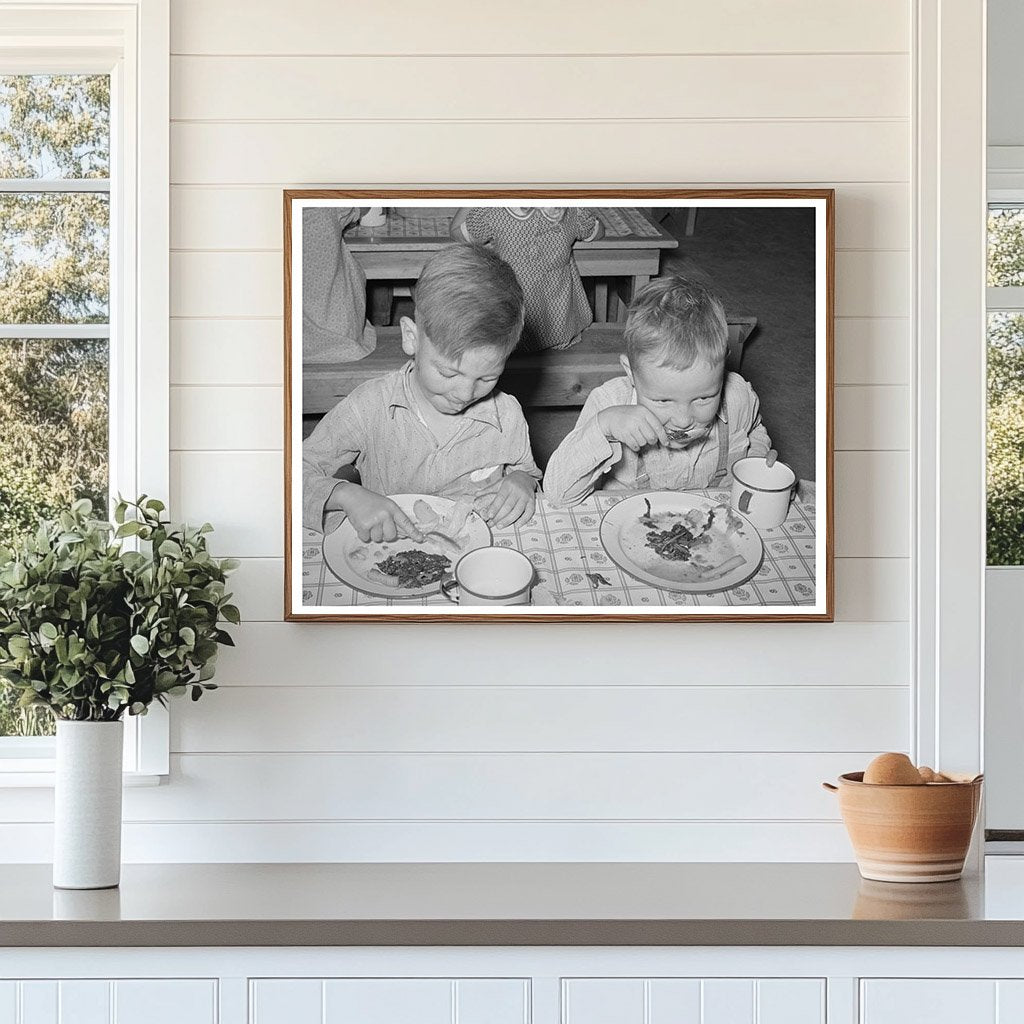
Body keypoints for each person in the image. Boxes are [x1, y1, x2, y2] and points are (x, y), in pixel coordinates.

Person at [302, 244, 541, 540]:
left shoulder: (507, 415)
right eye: (448, 372)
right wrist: (346, 494)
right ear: (411, 338)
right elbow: (290, 474)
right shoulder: (369, 406)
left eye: (488, 377)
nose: (465, 393)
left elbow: (526, 472)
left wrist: (522, 481)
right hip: (387, 554)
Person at [543, 276, 771, 507]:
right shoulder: (608, 403)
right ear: (631, 373)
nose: (683, 421)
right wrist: (603, 428)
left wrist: (758, 467)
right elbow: (558, 495)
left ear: (722, 370)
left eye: (704, 398)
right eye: (663, 400)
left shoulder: (737, 396)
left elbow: (754, 431)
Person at [451, 206, 603, 352]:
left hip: (511, 334)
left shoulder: (493, 213)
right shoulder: (571, 212)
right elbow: (599, 231)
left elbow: (456, 234)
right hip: (561, 329)